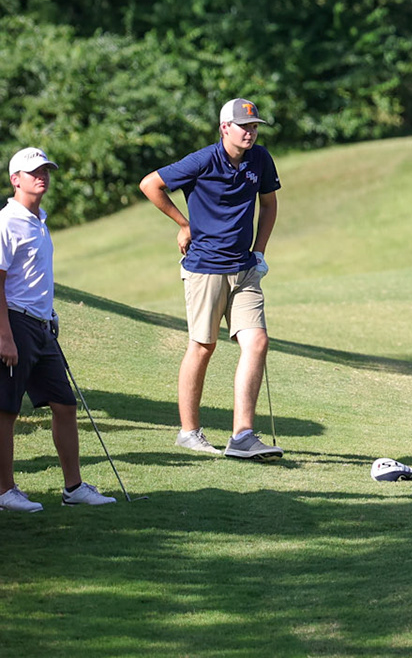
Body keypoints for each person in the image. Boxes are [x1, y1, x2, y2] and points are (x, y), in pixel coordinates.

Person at [138, 98, 283, 460]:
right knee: (203, 346)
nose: (250, 132)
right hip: (205, 268)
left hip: (245, 268)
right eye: (243, 126)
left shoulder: (260, 159)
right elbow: (150, 185)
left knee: (258, 342)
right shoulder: (202, 160)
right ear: (225, 129)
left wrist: (259, 250)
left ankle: (243, 436)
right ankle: (189, 432)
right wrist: (183, 223)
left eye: (254, 126)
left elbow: (269, 204)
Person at [0, 147, 117, 511]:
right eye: (34, 171)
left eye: (46, 170)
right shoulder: (7, 222)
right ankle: (5, 490)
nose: (42, 176)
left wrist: (50, 315)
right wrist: (3, 335)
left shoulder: (39, 220)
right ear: (14, 179)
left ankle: (73, 487)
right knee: (6, 409)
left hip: (41, 326)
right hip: (14, 323)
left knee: (65, 404)